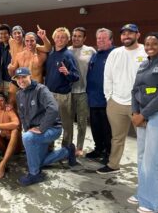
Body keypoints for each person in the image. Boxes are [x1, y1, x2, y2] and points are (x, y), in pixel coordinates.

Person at [97, 24, 147, 174]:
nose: (126, 36)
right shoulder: (115, 53)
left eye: (130, 33)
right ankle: (113, 165)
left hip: (139, 105)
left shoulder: (146, 51)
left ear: (138, 34)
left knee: (144, 141)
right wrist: (109, 98)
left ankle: (145, 172)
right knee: (117, 138)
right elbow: (108, 76)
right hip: (116, 103)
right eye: (124, 34)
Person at [14, 67, 76, 186]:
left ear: (30, 76)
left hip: (52, 128)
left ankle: (34, 174)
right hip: (36, 131)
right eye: (18, 78)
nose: (21, 80)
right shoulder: (19, 93)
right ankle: (67, 151)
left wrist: (41, 128)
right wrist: (28, 130)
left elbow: (53, 108)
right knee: (39, 161)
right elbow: (22, 114)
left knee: (27, 138)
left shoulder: (41, 89)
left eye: (23, 77)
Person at [129, 32, 158, 213]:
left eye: (155, 44)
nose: (150, 46)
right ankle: (143, 193)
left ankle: (154, 202)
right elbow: (135, 89)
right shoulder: (144, 64)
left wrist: (143, 114)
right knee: (142, 157)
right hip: (141, 115)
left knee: (154, 160)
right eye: (147, 43)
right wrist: (135, 112)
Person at [44, 27, 79, 147]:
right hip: (49, 95)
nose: (60, 39)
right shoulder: (50, 53)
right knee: (50, 122)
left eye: (63, 37)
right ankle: (49, 147)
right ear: (54, 38)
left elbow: (75, 77)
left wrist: (67, 73)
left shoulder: (68, 55)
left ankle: (67, 149)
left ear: (67, 40)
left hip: (63, 96)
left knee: (66, 124)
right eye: (57, 37)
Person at [86, 28, 114, 164]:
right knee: (95, 127)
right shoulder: (95, 55)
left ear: (110, 40)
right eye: (98, 38)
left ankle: (109, 153)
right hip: (93, 98)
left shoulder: (115, 54)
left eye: (103, 38)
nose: (100, 41)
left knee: (107, 129)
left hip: (107, 100)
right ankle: (99, 149)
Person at [68, 27, 96, 156]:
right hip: (68, 92)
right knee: (68, 122)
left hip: (83, 92)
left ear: (84, 38)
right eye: (74, 35)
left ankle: (79, 147)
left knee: (82, 122)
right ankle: (68, 146)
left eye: (79, 36)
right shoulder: (67, 50)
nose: (76, 38)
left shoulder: (90, 51)